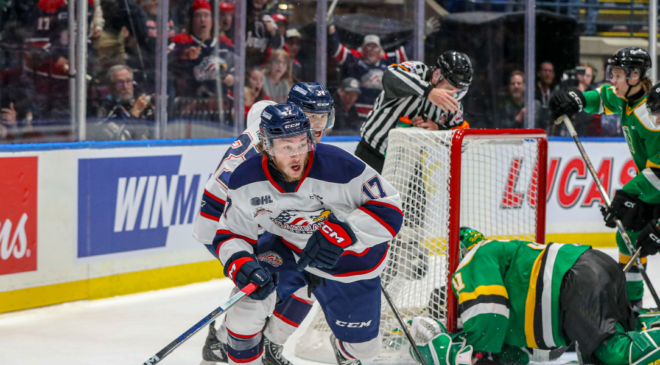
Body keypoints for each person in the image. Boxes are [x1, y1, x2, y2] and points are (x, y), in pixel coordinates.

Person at [208, 101, 402, 365]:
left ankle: (346, 348)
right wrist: (240, 262)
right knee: (246, 304)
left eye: (302, 144)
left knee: (364, 352)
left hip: (351, 262)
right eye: (287, 147)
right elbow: (230, 233)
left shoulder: (342, 167)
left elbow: (390, 210)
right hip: (289, 251)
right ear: (266, 145)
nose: (297, 155)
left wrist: (345, 232)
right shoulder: (246, 179)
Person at [194, 83, 337, 365]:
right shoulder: (275, 147)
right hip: (226, 225)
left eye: (324, 117)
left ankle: (267, 345)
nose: (319, 126)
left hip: (245, 216)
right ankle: (223, 343)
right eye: (312, 117)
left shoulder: (269, 117)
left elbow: (258, 109)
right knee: (262, 286)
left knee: (309, 272)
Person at [409, 227, 659, 365]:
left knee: (613, 353)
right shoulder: (504, 263)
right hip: (592, 268)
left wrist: (478, 354)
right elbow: (527, 354)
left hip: (571, 281)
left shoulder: (474, 256)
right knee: (614, 351)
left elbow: (489, 308)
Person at [550, 47, 658, 309]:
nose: (612, 80)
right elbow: (601, 97)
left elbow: (658, 172)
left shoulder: (653, 116)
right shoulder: (626, 98)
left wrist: (627, 193)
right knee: (628, 235)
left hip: (654, 184)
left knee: (641, 233)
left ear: (634, 77)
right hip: (650, 185)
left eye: (618, 75)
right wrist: (577, 98)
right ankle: (632, 305)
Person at [356, 53, 473, 173]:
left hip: (410, 163)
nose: (452, 96)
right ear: (437, 75)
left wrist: (438, 129)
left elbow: (462, 144)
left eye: (458, 92)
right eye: (449, 89)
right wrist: (428, 91)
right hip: (372, 153)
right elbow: (390, 75)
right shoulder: (417, 71)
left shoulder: (453, 105)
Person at [328, 26, 411, 121]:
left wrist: (422, 34)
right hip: (357, 115)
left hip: (381, 114)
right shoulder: (355, 61)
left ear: (380, 50)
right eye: (368, 46)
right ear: (362, 49)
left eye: (374, 47)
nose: (371, 50)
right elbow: (336, 50)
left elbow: (409, 52)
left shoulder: (388, 62)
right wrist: (331, 29)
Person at [168, 0, 235, 98]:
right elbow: (163, 61)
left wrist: (231, 78)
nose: (202, 20)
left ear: (212, 20)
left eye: (206, 15)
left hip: (219, 103)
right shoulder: (181, 40)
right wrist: (182, 56)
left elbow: (237, 68)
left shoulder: (224, 42)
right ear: (191, 20)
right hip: (187, 101)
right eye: (198, 15)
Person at [87, 65, 154, 140]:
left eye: (129, 81)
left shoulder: (141, 103)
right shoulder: (106, 109)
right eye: (120, 83)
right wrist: (135, 113)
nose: (125, 87)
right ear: (111, 87)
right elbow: (122, 138)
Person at [535, 61, 558, 132]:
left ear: (553, 74)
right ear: (539, 73)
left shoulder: (557, 91)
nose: (548, 73)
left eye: (550, 71)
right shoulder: (532, 90)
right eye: (545, 70)